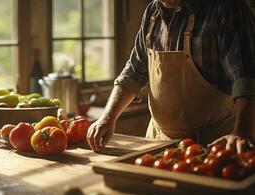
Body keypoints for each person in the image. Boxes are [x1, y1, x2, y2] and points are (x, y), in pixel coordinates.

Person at [87, 0, 255, 153]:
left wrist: (241, 132)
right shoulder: (153, 12)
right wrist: (107, 118)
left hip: (213, 145)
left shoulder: (226, 8)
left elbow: (246, 78)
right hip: (158, 142)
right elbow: (133, 72)